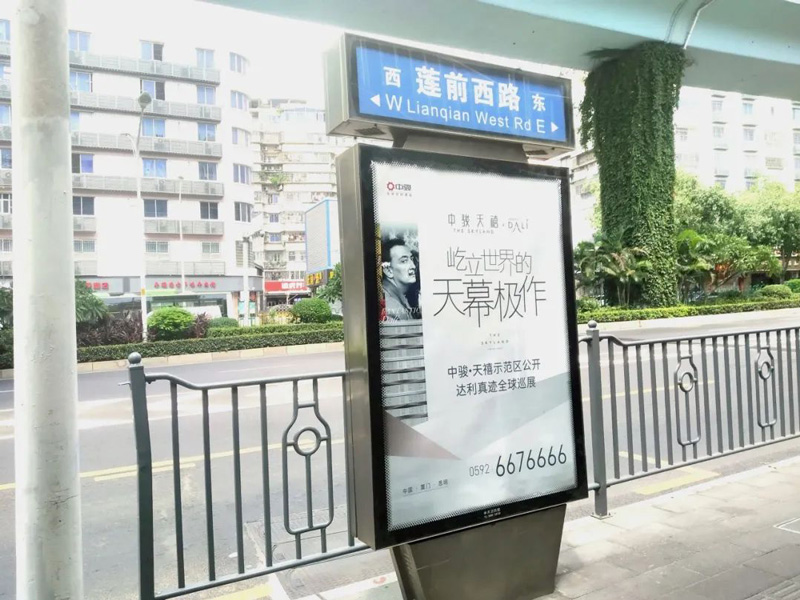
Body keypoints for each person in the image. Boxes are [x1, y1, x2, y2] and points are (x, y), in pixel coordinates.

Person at [381, 238, 420, 320]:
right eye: (404, 261)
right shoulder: (390, 307)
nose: (413, 266)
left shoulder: (399, 297)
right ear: (388, 270)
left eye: (411, 259)